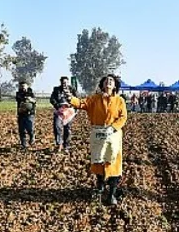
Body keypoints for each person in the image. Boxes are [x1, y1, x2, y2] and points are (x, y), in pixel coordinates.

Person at [66, 74, 128, 206]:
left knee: (113, 162)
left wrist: (113, 127)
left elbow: (123, 117)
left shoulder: (119, 100)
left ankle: (112, 193)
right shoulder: (95, 99)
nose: (108, 82)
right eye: (106, 80)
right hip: (98, 133)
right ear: (102, 84)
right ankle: (100, 186)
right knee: (98, 160)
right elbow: (82, 103)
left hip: (113, 135)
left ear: (115, 85)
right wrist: (71, 99)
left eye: (111, 81)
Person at [50, 76, 76, 152]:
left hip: (69, 112)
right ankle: (59, 144)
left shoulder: (72, 89)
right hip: (59, 111)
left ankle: (66, 146)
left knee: (67, 129)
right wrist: (57, 105)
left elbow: (77, 99)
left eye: (65, 82)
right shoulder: (56, 89)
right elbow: (52, 99)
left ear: (68, 82)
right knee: (57, 126)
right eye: (63, 82)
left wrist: (71, 104)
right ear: (60, 82)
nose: (64, 84)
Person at [15, 81, 36, 148]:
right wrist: (25, 98)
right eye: (21, 86)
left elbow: (34, 101)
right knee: (22, 130)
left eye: (24, 86)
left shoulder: (31, 93)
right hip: (21, 114)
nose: (22, 88)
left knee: (30, 128)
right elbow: (18, 99)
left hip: (30, 114)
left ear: (27, 86)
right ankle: (23, 144)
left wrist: (30, 99)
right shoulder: (18, 94)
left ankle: (32, 136)